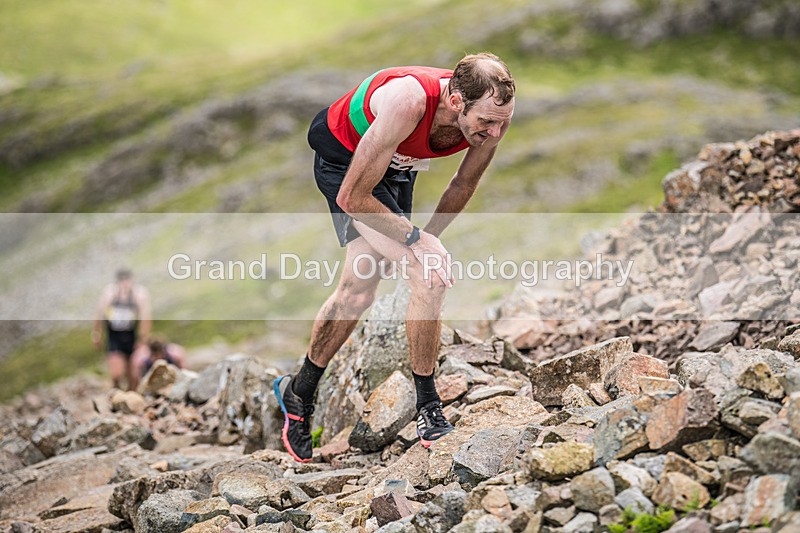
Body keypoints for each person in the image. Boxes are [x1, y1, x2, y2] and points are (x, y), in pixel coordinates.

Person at [273, 52, 515, 462]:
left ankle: (298, 391)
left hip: (397, 167)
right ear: (456, 102)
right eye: (486, 123)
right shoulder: (408, 102)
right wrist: (416, 244)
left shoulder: (496, 106)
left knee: (357, 291)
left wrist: (425, 240)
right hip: (345, 163)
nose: (493, 132)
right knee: (428, 276)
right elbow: (352, 196)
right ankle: (429, 408)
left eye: (501, 122)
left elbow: (463, 182)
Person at [92, 269, 151, 390]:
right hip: (115, 336)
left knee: (133, 375)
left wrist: (142, 339)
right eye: (123, 282)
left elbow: (146, 317)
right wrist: (97, 334)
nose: (126, 285)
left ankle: (132, 398)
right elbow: (99, 314)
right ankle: (116, 393)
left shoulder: (139, 294)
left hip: (131, 335)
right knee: (116, 374)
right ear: (118, 282)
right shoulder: (110, 293)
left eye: (128, 282)